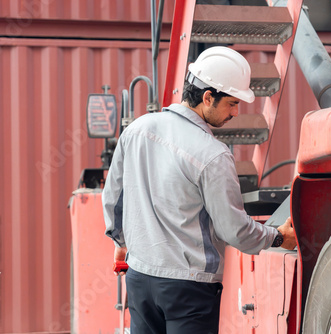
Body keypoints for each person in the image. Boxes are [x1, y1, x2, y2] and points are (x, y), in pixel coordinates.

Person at [102, 46, 297, 334]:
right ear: (208, 97)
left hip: (140, 279)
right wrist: (279, 238)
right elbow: (235, 231)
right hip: (188, 290)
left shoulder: (136, 130)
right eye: (231, 103)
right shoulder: (213, 155)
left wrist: (121, 243)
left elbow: (113, 200)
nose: (235, 112)